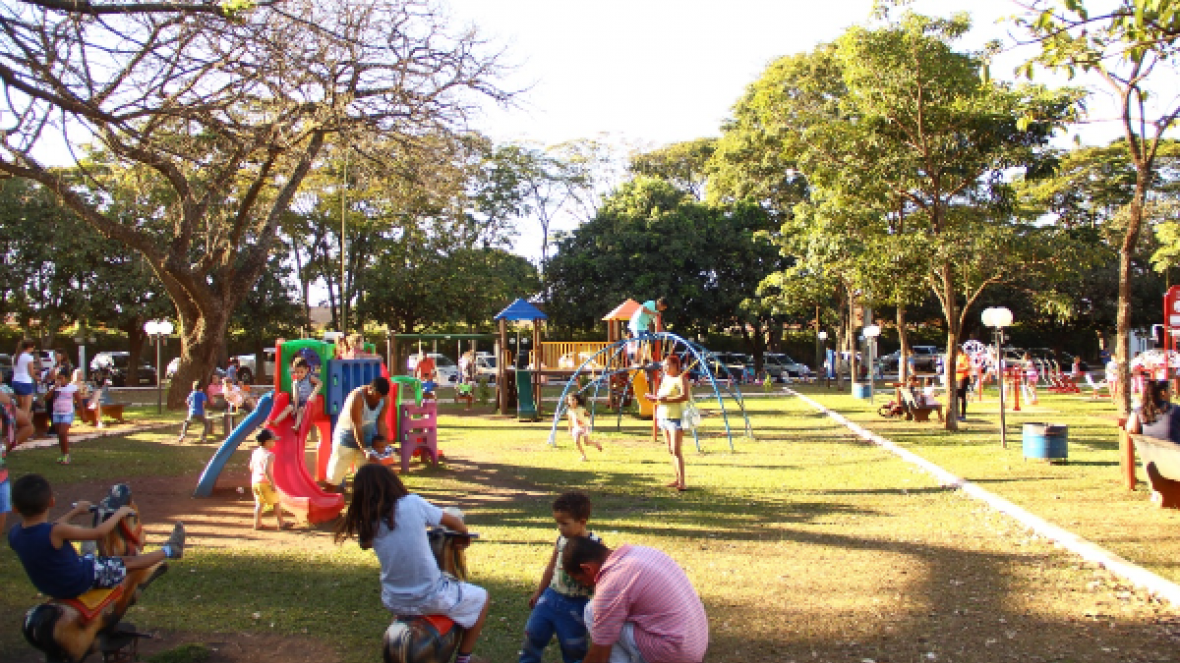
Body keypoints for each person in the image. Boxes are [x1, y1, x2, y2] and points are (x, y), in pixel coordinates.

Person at [334, 465, 489, 663]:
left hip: (394, 600)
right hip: (430, 595)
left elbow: (366, 544)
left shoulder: (370, 521)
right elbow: (453, 522)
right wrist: (464, 535)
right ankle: (463, 658)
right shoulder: (412, 503)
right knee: (482, 597)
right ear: (392, 482)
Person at [8, 473, 185, 601]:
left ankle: (89, 556)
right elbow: (99, 532)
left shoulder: (15, 534)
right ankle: (171, 549)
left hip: (49, 586)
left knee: (89, 554)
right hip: (78, 581)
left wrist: (75, 512)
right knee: (128, 561)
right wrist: (119, 513)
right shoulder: (56, 532)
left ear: (15, 508)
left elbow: (47, 530)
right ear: (52, 502)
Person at [562, 536, 708, 663]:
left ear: (587, 569)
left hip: (673, 653)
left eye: (580, 580)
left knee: (592, 611)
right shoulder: (641, 552)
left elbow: (600, 654)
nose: (585, 585)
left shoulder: (611, 583)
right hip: (694, 643)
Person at [520, 492, 602, 663]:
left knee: (573, 646)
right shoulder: (562, 540)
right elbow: (551, 568)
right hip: (551, 596)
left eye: (564, 523)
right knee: (533, 633)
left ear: (582, 522)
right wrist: (539, 592)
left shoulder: (595, 545)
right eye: (557, 522)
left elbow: (600, 577)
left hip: (577, 604)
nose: (560, 527)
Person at [320, 377, 392, 493]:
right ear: (370, 389)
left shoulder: (385, 399)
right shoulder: (356, 397)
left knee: (367, 478)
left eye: (381, 397)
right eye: (376, 396)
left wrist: (384, 446)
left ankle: (365, 502)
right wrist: (364, 450)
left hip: (367, 439)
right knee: (334, 476)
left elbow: (381, 422)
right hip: (345, 439)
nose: (378, 399)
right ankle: (326, 498)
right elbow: (356, 425)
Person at [645, 354, 691, 491]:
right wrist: (655, 399)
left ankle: (683, 482)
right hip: (664, 416)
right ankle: (677, 478)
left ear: (676, 365)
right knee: (670, 450)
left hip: (676, 418)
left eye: (668, 365)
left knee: (676, 450)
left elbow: (685, 396)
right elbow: (662, 397)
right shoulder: (665, 378)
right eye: (664, 365)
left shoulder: (681, 378)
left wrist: (666, 400)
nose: (665, 367)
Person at [249, 429, 291, 530]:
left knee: (259, 503)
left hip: (255, 482)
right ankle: (281, 523)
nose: (274, 442)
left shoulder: (255, 452)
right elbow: (266, 470)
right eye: (273, 440)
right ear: (267, 442)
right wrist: (272, 483)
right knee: (276, 502)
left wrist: (256, 476)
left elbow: (251, 467)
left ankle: (257, 523)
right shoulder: (270, 455)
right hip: (265, 482)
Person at [46, 368, 82, 465]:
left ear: (66, 378)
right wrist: (53, 388)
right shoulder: (54, 388)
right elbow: (46, 398)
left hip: (67, 413)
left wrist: (83, 413)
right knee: (60, 435)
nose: (59, 380)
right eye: (57, 378)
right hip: (56, 413)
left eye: (61, 378)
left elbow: (79, 400)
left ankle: (66, 455)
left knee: (63, 432)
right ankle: (63, 454)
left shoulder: (72, 387)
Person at [274, 356, 322, 428]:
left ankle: (296, 426)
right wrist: (295, 408)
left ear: (307, 370)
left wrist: (313, 394)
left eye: (301, 372)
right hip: (297, 402)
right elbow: (295, 396)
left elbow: (320, 383)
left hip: (306, 403)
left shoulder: (309, 378)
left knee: (300, 410)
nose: (299, 374)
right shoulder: (295, 382)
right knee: (288, 407)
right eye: (296, 372)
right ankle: (276, 421)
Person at [627, 298, 667, 366]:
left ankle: (645, 358)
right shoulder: (651, 303)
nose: (662, 310)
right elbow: (642, 309)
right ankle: (636, 361)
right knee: (640, 342)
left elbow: (655, 322)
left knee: (650, 340)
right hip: (637, 324)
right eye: (663, 308)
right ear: (660, 304)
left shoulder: (656, 311)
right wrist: (654, 313)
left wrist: (661, 329)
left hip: (644, 326)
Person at [565, 394, 602, 461]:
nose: (571, 402)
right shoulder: (569, 411)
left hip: (584, 427)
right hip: (576, 428)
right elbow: (569, 421)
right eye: (570, 400)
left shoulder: (581, 409)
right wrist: (569, 430)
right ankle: (583, 455)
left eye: (573, 400)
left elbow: (589, 415)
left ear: (577, 401)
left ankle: (596, 443)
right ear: (568, 401)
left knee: (586, 442)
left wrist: (590, 420)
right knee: (576, 441)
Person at [12, 340, 39, 418]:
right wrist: (37, 378)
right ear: (29, 347)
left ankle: (19, 423)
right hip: (25, 382)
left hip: (15, 381)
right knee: (26, 409)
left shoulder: (15, 356)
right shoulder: (29, 357)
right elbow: (31, 373)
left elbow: (19, 369)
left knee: (21, 407)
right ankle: (24, 423)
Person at [954, 351, 971, 422]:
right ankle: (956, 413)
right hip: (956, 378)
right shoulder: (956, 357)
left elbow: (968, 367)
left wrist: (958, 370)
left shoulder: (964, 357)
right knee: (955, 396)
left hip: (963, 378)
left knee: (962, 396)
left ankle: (963, 415)